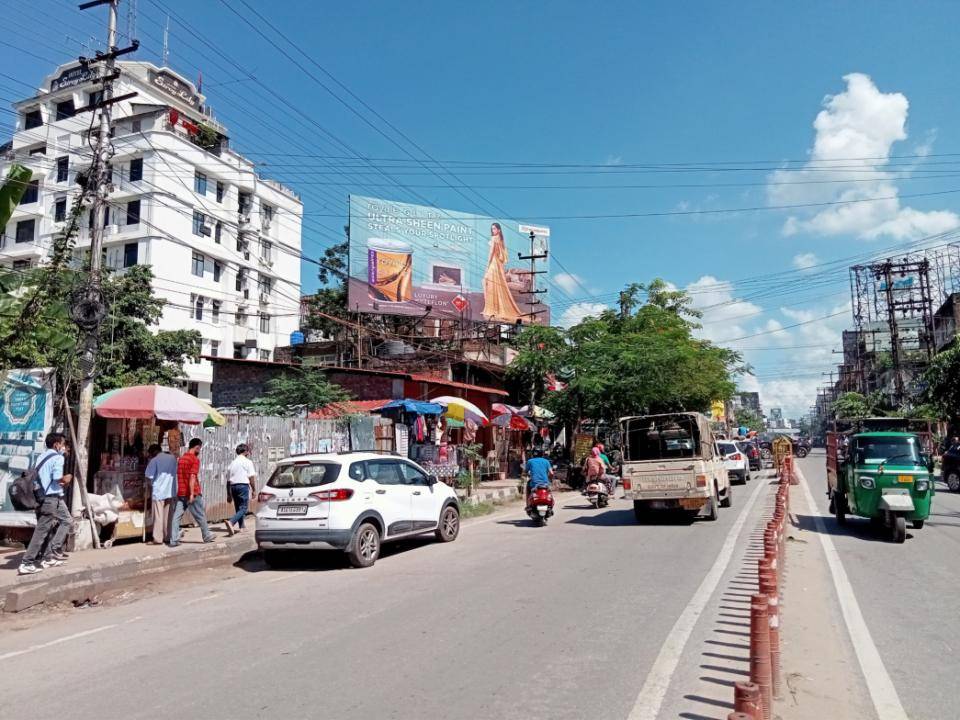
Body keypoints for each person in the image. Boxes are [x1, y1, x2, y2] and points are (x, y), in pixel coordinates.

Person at [19, 433, 74, 575]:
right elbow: (57, 478)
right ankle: (27, 562)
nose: (64, 447)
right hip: (50, 498)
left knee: (60, 522)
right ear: (57, 444)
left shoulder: (41, 456)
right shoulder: (58, 458)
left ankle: (48, 557)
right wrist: (66, 479)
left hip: (43, 496)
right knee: (42, 529)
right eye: (63, 444)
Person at [170, 438, 214, 547]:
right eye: (200, 448)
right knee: (200, 515)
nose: (200, 451)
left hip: (181, 493)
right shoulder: (194, 460)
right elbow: (192, 477)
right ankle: (206, 535)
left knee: (176, 516)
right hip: (192, 492)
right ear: (197, 447)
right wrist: (191, 494)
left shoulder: (181, 459)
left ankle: (174, 539)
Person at [481, 222, 523, 323]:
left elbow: (491, 252)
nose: (493, 231)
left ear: (499, 230)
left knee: (489, 283)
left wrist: (487, 265)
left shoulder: (495, 238)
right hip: (498, 264)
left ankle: (492, 308)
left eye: (494, 229)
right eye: (492, 229)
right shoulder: (501, 239)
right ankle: (494, 308)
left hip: (494, 263)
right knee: (494, 284)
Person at [144, 444, 177, 545]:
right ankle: (167, 536)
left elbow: (148, 475)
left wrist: (148, 486)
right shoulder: (172, 458)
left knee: (158, 515)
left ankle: (158, 539)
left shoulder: (154, 461)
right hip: (170, 490)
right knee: (168, 516)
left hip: (159, 491)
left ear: (153, 452)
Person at [224, 444, 256, 536]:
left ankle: (242, 527)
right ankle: (231, 522)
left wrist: (228, 494)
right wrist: (254, 490)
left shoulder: (232, 463)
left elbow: (228, 481)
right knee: (244, 508)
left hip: (233, 487)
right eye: (248, 451)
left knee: (238, 508)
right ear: (245, 451)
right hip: (243, 486)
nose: (249, 453)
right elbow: (251, 477)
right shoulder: (247, 462)